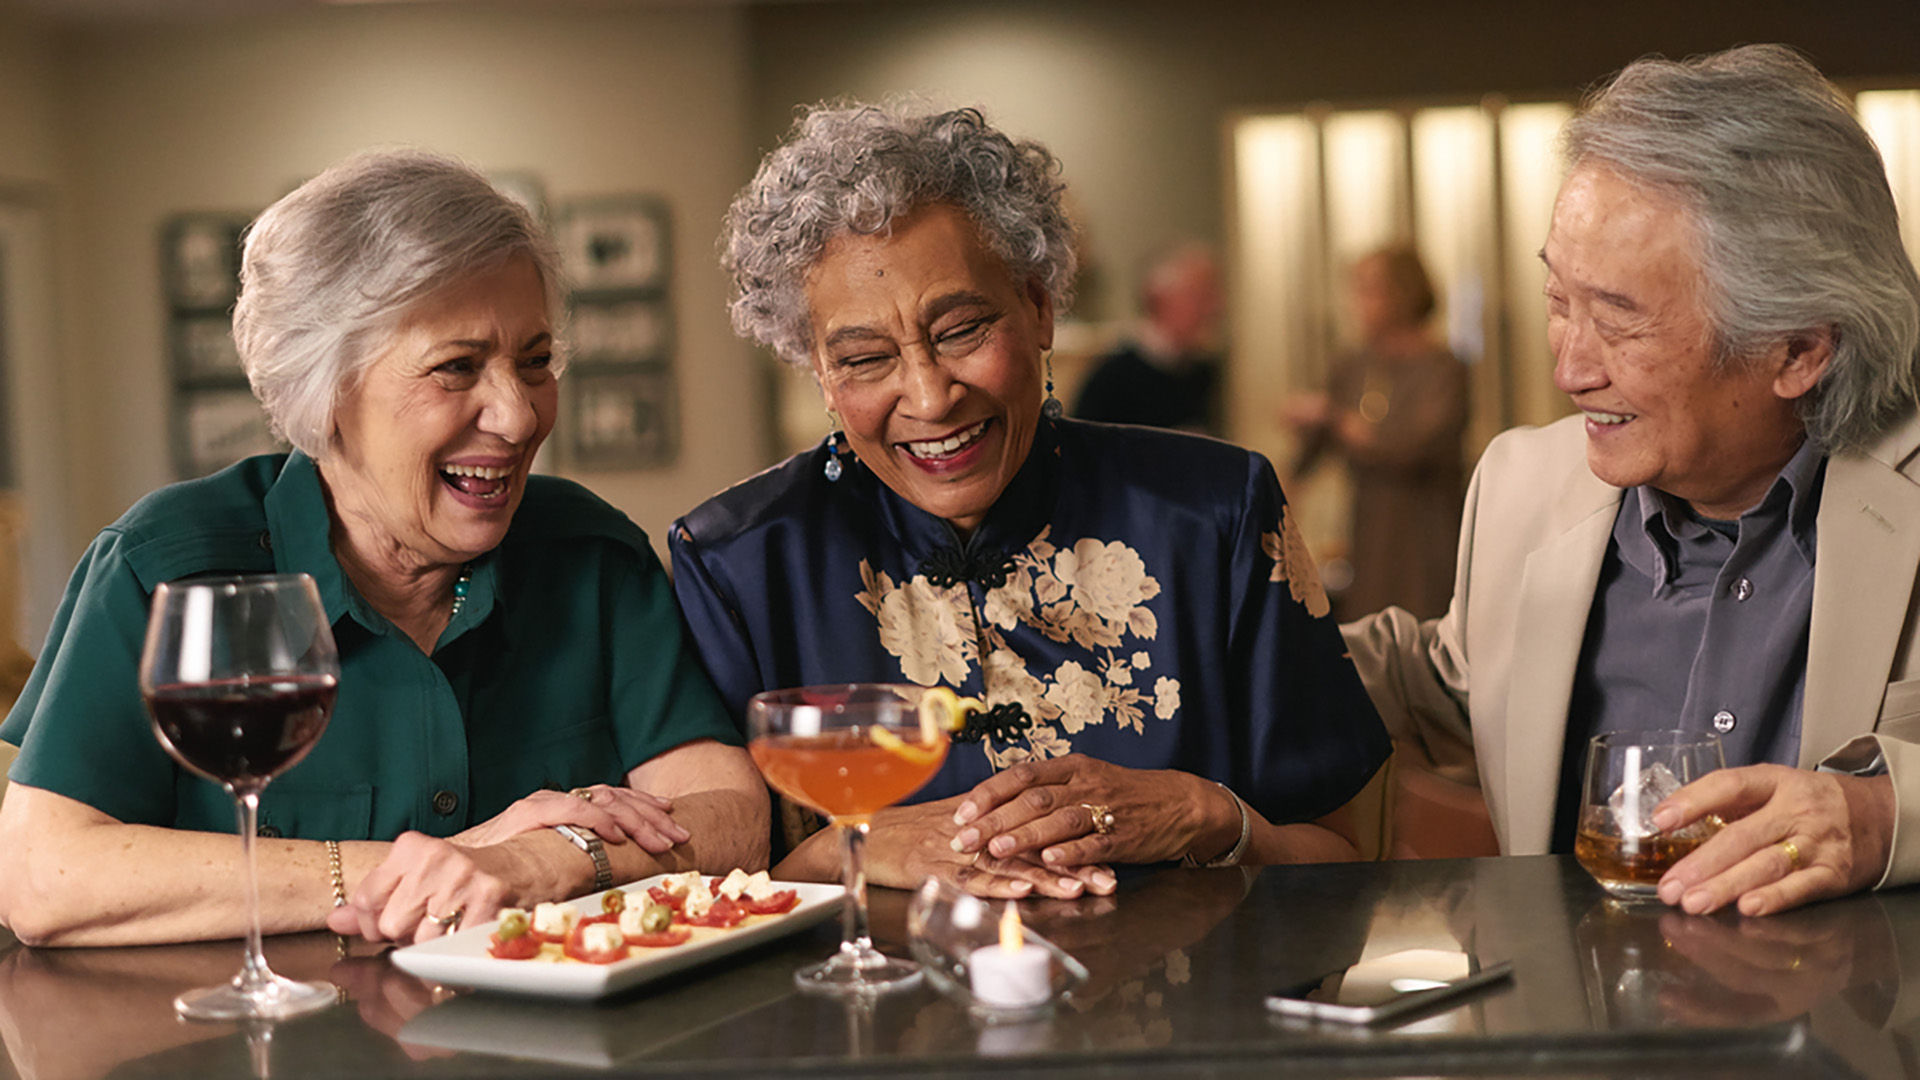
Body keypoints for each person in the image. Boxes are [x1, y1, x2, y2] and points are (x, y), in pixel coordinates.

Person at [0, 149, 767, 947]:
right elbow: (40, 878)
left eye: (534, 362)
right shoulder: (165, 570)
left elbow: (732, 821)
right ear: (324, 389)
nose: (517, 415)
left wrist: (546, 861)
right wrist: (446, 862)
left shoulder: (591, 555)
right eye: (456, 368)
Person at [674, 103, 1389, 901]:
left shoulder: (1217, 514)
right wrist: (853, 850)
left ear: (1040, 307)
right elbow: (709, 900)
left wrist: (1206, 813)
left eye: (963, 329)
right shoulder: (736, 563)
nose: (930, 396)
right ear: (816, 369)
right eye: (867, 358)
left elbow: (1347, 863)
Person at [1344, 45, 1920, 917]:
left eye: (1619, 320)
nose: (1570, 369)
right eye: (1558, 301)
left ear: (1799, 349)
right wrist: (1216, 626)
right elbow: (1468, 687)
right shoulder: (1524, 484)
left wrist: (1885, 814)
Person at [1283, 244, 1469, 620]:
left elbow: (1414, 446)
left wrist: (1337, 418)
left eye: (1370, 290)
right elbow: (1309, 455)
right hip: (1370, 527)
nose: (1357, 303)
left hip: (1425, 525)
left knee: (1424, 623)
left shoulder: (1443, 368)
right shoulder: (1353, 364)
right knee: (1370, 625)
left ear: (1403, 294)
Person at [1073, 243, 1224, 434]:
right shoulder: (1113, 379)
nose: (1214, 308)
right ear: (1159, 298)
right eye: (1201, 296)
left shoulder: (1203, 371)